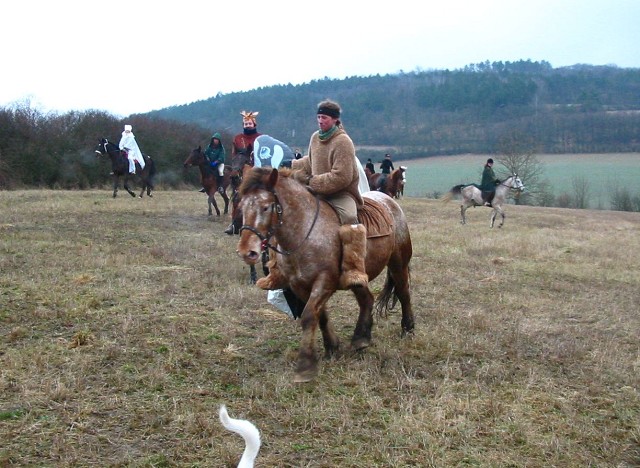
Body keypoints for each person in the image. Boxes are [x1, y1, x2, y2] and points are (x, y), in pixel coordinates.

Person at [258, 99, 368, 291]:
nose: (320, 121)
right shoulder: (315, 138)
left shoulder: (344, 142)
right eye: (318, 117)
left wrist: (311, 182)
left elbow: (342, 176)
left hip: (342, 194)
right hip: (319, 191)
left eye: (324, 118)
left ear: (334, 120)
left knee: (350, 220)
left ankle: (353, 269)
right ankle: (276, 272)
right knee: (285, 218)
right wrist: (289, 165)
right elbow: (310, 162)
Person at [225, 111, 263, 235]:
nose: (247, 125)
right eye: (245, 123)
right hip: (239, 167)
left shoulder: (261, 138)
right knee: (236, 197)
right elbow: (234, 155)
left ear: (254, 123)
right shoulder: (237, 138)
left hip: (255, 167)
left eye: (249, 122)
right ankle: (233, 224)